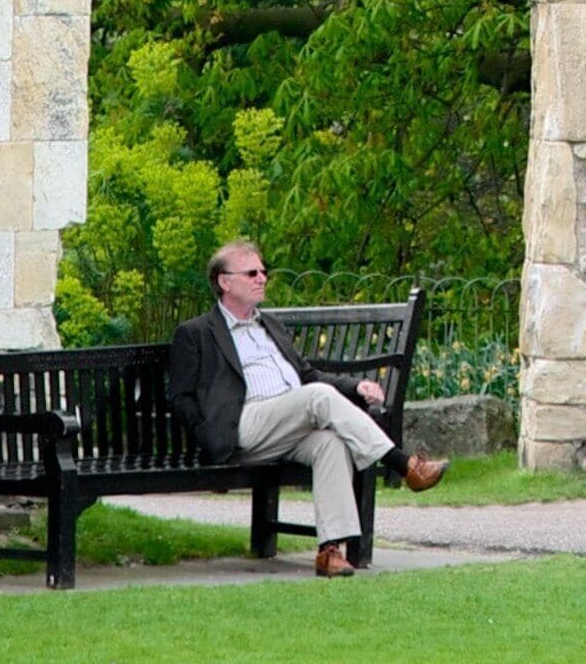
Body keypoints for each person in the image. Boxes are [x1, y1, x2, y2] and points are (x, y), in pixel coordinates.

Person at [166, 240, 447, 575]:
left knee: (330, 444)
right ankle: (403, 464)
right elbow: (180, 396)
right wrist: (207, 433)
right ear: (225, 281)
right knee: (316, 397)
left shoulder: (269, 325)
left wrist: (355, 387)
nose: (262, 278)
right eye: (252, 272)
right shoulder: (197, 332)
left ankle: (330, 551)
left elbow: (306, 375)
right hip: (243, 426)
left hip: (287, 424)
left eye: (264, 271)